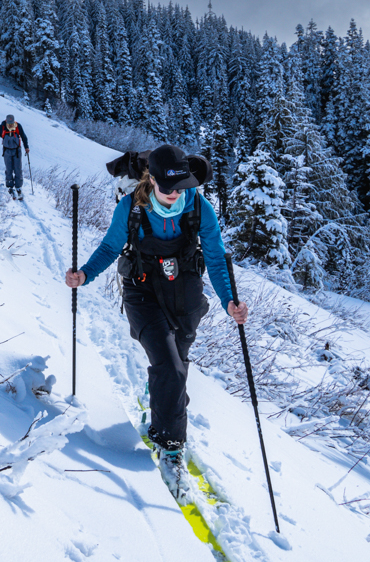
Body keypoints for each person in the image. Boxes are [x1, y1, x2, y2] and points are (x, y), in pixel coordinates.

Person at [64, 144, 249, 497]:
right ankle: (170, 445)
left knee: (176, 363)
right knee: (169, 366)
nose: (174, 194)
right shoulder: (131, 207)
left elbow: (214, 255)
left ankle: (163, 401)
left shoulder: (198, 207)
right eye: (167, 188)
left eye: (180, 186)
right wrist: (84, 275)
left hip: (186, 292)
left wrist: (229, 302)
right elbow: (109, 248)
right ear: (151, 180)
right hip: (142, 289)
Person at [0, 114, 29, 199]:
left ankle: (18, 187)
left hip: (17, 151)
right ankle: (10, 187)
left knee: (18, 169)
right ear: (6, 121)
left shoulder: (18, 126)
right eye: (9, 123)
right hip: (7, 151)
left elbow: (24, 137)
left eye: (11, 123)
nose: (10, 124)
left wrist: (26, 147)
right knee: (9, 169)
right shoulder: (2, 127)